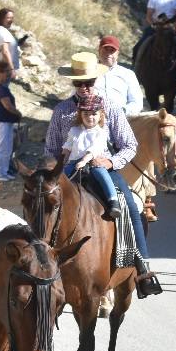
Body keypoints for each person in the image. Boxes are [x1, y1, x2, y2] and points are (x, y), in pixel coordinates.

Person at [44, 52, 162, 298]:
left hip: (102, 167)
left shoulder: (110, 106)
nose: (85, 87)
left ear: (96, 80)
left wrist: (110, 161)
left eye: (89, 82)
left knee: (130, 207)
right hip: (69, 171)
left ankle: (143, 268)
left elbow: (129, 145)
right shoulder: (62, 111)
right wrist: (56, 166)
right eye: (79, 83)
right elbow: (51, 150)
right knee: (42, 205)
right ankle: (39, 263)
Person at [63, 94, 122, 220]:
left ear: (100, 114)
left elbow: (94, 150)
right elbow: (67, 148)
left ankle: (113, 201)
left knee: (102, 174)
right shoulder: (74, 131)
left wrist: (84, 161)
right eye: (86, 114)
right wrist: (62, 162)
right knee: (61, 177)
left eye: (94, 114)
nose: (90, 117)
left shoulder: (100, 133)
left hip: (92, 163)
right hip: (74, 162)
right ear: (81, 115)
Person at [0, 60, 21, 181]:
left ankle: (4, 171)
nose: (8, 74)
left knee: (6, 148)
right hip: (2, 122)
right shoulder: (0, 89)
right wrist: (18, 113)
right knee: (0, 148)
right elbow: (7, 106)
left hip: (6, 121)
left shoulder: (1, 87)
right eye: (6, 71)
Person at [95, 35, 144, 115]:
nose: (108, 54)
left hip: (121, 119)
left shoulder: (128, 74)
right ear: (99, 50)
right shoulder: (89, 72)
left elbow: (137, 102)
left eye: (112, 51)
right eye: (105, 50)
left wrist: (122, 112)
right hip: (93, 119)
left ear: (117, 53)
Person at [0, 8, 21, 79]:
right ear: (1, 18)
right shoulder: (2, 32)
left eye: (12, 18)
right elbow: (5, 51)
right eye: (8, 18)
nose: (11, 20)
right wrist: (12, 69)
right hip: (3, 69)